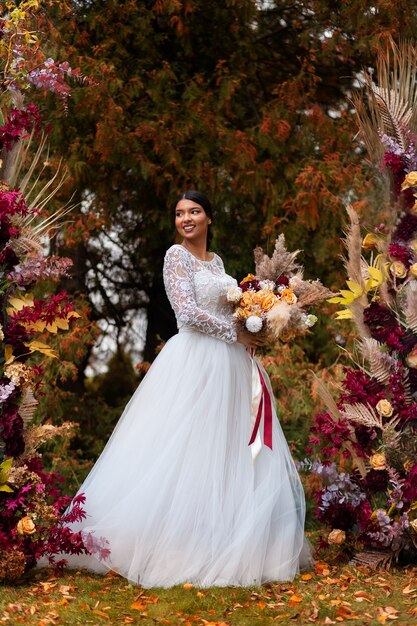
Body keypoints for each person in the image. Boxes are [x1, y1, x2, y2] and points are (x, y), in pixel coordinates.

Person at [59, 190, 311, 587]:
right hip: (195, 360)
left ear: (209, 218)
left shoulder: (218, 262)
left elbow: (230, 306)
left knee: (227, 447)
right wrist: (238, 332)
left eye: (194, 212)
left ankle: (223, 539)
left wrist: (256, 320)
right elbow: (187, 312)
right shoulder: (176, 256)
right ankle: (174, 544)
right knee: (186, 446)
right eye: (179, 214)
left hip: (231, 363)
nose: (186, 219)